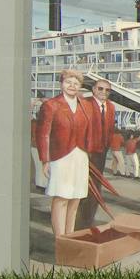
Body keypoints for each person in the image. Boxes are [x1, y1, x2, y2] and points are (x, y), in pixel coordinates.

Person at [37, 68, 96, 238]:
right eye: (68, 82)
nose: (72, 85)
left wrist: (89, 151)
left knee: (76, 198)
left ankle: (70, 237)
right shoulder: (51, 105)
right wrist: (45, 160)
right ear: (62, 84)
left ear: (80, 86)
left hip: (80, 155)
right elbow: (43, 134)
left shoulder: (85, 105)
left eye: (76, 83)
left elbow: (90, 130)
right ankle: (59, 238)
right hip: (60, 156)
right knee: (61, 197)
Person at [74, 79, 117, 229]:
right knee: (82, 186)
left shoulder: (111, 107)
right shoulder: (85, 104)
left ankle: (88, 220)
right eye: (100, 89)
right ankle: (77, 223)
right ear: (93, 89)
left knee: (96, 188)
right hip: (86, 151)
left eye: (107, 90)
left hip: (101, 152)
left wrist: (108, 145)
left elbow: (110, 129)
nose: (103, 92)